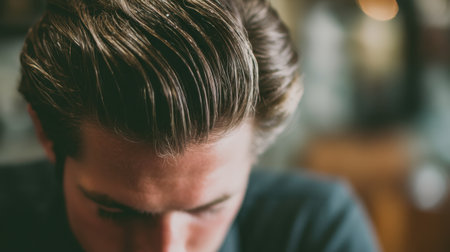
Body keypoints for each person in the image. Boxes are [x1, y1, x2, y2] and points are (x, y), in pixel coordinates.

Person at [0, 0, 379, 251]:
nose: (169, 249)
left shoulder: (316, 232)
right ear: (46, 135)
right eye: (116, 213)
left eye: (207, 209)